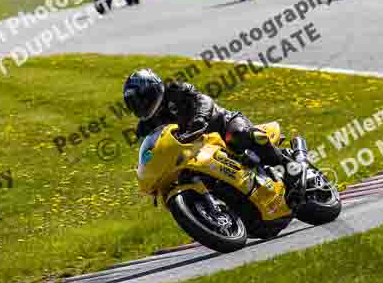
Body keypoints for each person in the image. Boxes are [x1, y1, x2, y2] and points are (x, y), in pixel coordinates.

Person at [123, 69, 304, 197]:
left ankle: (294, 173)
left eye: (142, 100)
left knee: (240, 135)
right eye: (135, 104)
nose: (141, 106)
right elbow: (149, 151)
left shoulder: (174, 90)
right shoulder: (145, 127)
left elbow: (203, 100)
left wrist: (200, 119)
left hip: (221, 124)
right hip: (196, 149)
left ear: (153, 90)